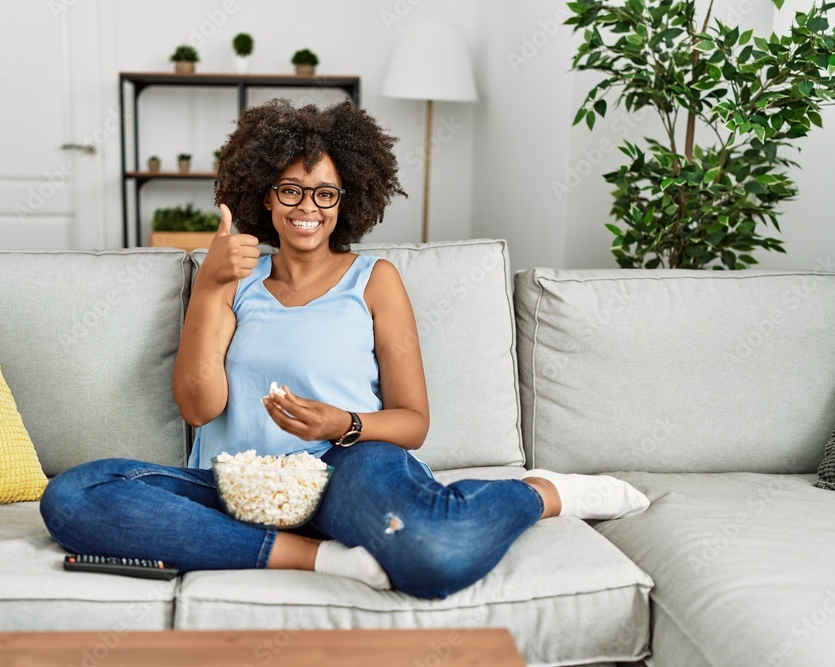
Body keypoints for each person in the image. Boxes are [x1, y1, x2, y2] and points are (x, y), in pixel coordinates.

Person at [39, 99, 649, 599]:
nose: (308, 209)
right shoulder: (234, 279)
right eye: (291, 191)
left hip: (345, 472)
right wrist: (210, 284)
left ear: (348, 199)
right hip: (231, 488)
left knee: (436, 558)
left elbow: (413, 423)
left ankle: (541, 493)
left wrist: (343, 423)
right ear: (264, 197)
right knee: (72, 496)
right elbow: (199, 409)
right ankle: (313, 557)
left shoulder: (374, 280)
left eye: (325, 193)